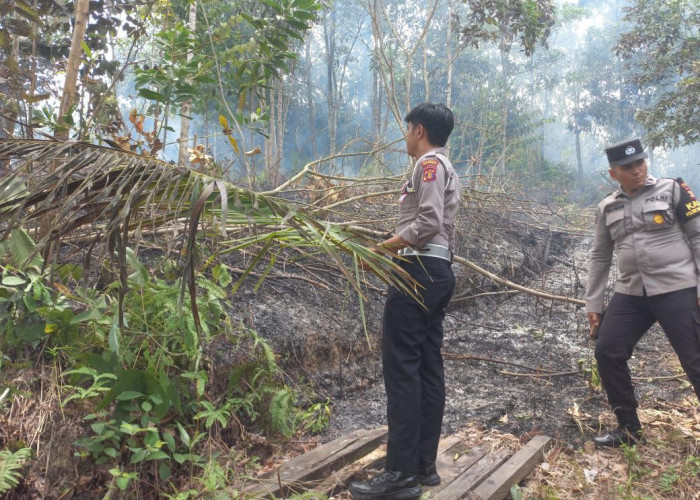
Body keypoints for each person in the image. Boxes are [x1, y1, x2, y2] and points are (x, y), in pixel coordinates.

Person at [349, 103, 460, 500]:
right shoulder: (444, 166)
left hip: (417, 272)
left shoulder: (428, 166)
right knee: (428, 366)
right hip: (438, 272)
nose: (405, 136)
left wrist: (383, 248)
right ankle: (422, 467)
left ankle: (399, 475)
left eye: (407, 128)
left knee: (402, 371)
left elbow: (427, 222)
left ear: (418, 131)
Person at [585, 137, 700, 447]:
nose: (636, 170)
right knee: (607, 351)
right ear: (613, 173)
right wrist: (593, 303)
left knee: (695, 360)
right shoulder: (608, 206)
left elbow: (698, 237)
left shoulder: (673, 189)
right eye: (627, 167)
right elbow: (599, 256)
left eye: (640, 163)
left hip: (677, 288)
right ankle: (629, 429)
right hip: (632, 293)